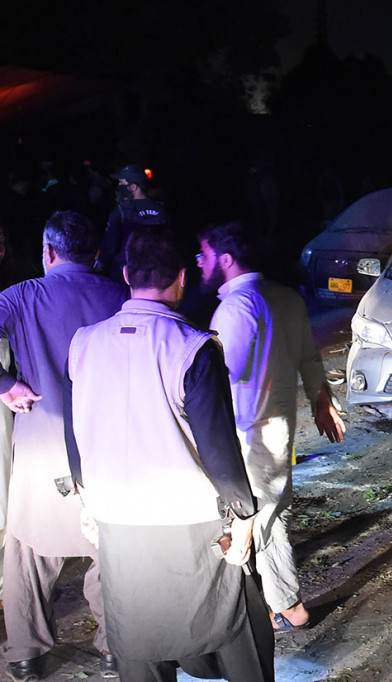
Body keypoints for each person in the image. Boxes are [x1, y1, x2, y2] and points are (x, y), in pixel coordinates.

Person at [65, 226, 273, 682]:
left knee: (137, 638)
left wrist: (86, 500)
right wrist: (244, 515)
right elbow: (218, 446)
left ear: (125, 274)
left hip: (118, 518)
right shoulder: (193, 347)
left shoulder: (83, 343)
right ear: (181, 278)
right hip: (189, 519)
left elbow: (74, 431)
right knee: (240, 622)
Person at [198, 222, 346, 633]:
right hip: (279, 431)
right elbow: (308, 357)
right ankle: (289, 606)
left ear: (225, 259)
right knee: (272, 518)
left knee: (248, 526)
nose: (199, 261)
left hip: (250, 436)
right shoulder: (284, 297)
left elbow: (226, 375)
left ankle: (246, 616)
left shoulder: (235, 308)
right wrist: (321, 401)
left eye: (205, 254)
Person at [0, 211, 127, 682]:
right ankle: (115, 648)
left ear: (48, 252)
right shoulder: (119, 295)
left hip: (42, 445)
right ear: (94, 253)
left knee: (27, 553)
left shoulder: (23, 296)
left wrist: (6, 385)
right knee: (109, 552)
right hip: (107, 447)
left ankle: (25, 654)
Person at [95, 164, 167, 279]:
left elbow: (110, 243)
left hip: (125, 272)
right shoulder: (161, 210)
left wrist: (100, 263)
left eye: (121, 183)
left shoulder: (121, 211)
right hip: (155, 272)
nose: (118, 186)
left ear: (133, 187)